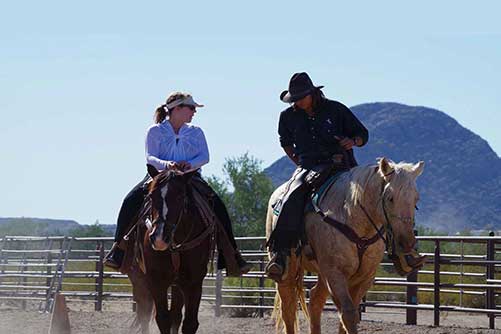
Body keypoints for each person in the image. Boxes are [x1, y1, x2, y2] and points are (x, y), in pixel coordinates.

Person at [105, 92, 251, 276]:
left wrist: (189, 165)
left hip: (189, 177)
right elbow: (150, 157)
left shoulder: (196, 132)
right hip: (158, 178)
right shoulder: (155, 131)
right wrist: (168, 165)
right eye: (191, 108)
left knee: (218, 206)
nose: (193, 112)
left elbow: (205, 156)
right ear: (177, 109)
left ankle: (231, 254)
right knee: (130, 201)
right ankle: (119, 248)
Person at [265, 72, 369, 282]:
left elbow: (362, 134)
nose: (298, 103)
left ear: (312, 93)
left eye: (301, 98)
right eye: (295, 99)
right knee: (289, 199)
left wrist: (353, 141)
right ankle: (282, 252)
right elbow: (285, 142)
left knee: (372, 196)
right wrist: (298, 163)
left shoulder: (336, 109)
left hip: (341, 165)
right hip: (308, 166)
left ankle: (398, 248)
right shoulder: (288, 116)